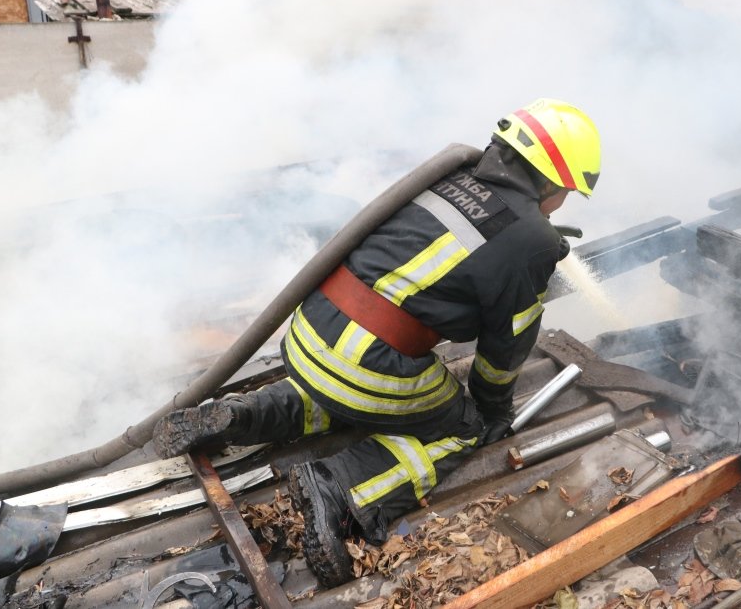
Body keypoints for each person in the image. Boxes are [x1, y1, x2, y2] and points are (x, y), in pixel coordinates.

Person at [152, 98, 601, 587]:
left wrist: (530, 242)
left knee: (346, 394)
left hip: (310, 335)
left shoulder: (449, 176)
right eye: (567, 191)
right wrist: (493, 412)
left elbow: (470, 240)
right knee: (463, 426)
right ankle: (342, 489)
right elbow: (505, 346)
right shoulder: (531, 239)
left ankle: (240, 416)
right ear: (551, 181)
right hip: (367, 363)